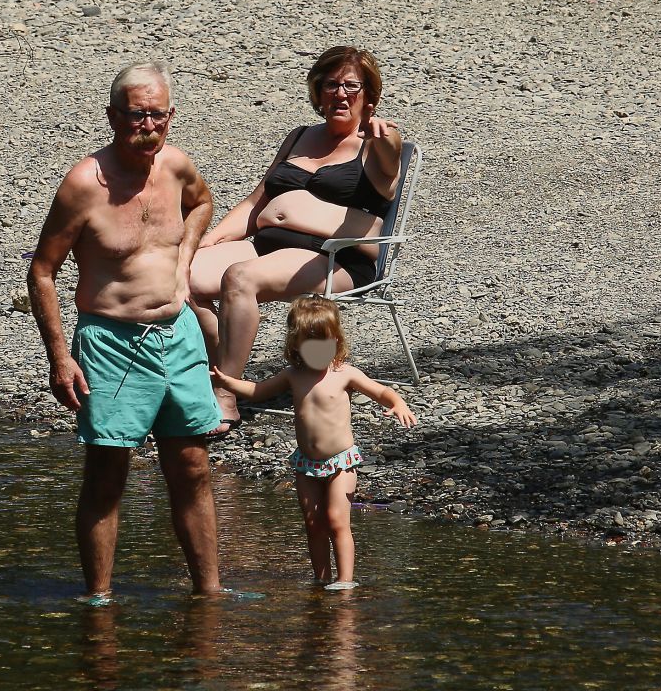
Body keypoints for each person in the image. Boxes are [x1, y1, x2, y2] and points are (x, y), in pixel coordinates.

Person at [28, 60, 224, 603]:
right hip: (111, 343)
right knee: (108, 471)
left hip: (179, 335)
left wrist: (185, 257)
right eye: (137, 115)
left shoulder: (177, 166)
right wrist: (60, 358)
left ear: (171, 116)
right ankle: (99, 601)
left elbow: (203, 203)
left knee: (192, 466)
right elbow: (42, 271)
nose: (148, 126)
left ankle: (210, 594)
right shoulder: (83, 185)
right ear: (114, 116)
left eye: (157, 115)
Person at [190, 46, 404, 438]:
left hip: (333, 258)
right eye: (331, 85)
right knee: (181, 275)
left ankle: (225, 396)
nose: (340, 94)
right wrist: (209, 240)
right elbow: (256, 202)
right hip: (267, 244)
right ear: (318, 91)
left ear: (369, 95)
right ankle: (222, 362)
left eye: (351, 86)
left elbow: (391, 161)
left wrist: (385, 134)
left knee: (240, 278)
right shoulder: (299, 137)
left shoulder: (376, 144)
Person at [210, 296, 416, 590]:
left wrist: (397, 403)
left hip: (340, 462)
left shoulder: (344, 373)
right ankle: (321, 579)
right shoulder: (293, 376)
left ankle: (345, 581)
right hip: (306, 464)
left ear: (336, 340)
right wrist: (227, 382)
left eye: (324, 343)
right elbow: (257, 391)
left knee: (336, 520)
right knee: (313, 523)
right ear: (295, 345)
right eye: (310, 344)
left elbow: (380, 391)